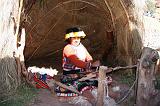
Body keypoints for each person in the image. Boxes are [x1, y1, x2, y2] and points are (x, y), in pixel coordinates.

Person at [55, 27, 98, 101]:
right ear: (69, 38)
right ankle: (93, 101)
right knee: (83, 86)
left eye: (78, 37)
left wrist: (90, 62)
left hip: (82, 73)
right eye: (73, 37)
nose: (76, 39)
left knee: (98, 82)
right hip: (70, 75)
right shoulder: (68, 48)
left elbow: (89, 57)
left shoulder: (81, 46)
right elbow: (77, 62)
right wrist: (90, 65)